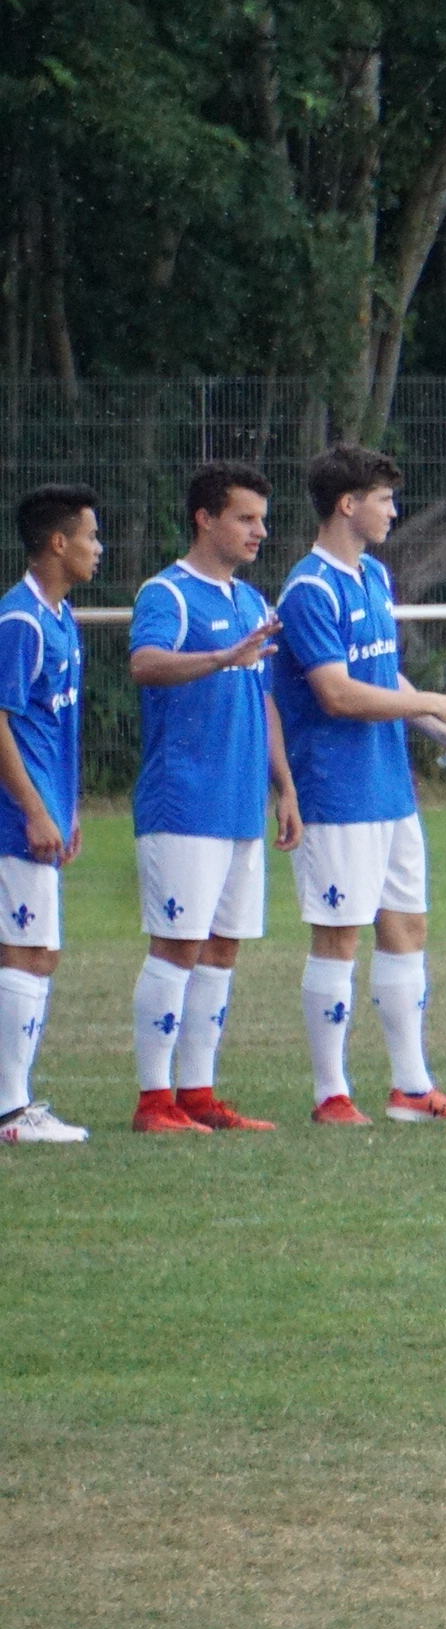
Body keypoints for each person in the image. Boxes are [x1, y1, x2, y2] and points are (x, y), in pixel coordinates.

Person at [274, 443, 446, 1123]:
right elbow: (338, 695)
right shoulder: (309, 590)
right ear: (348, 505)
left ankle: (410, 1088)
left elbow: (380, 677)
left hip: (389, 789)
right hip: (335, 794)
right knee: (339, 936)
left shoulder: (373, 576)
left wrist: (440, 728)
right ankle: (330, 1094)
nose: (394, 510)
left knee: (407, 926)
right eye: (384, 499)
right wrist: (430, 700)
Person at [125, 463, 300, 1133]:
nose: (261, 529)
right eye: (246, 517)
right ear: (206, 519)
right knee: (177, 945)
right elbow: (143, 664)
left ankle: (197, 1094)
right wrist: (220, 658)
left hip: (239, 805)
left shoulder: (253, 603)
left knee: (223, 949)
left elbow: (266, 700)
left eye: (261, 517)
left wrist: (283, 787)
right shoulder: (166, 594)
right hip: (184, 802)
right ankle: (153, 1100)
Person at [0, 486, 99, 1145]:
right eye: (91, 537)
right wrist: (35, 811)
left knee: (40, 953)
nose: (100, 549)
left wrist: (67, 808)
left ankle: (16, 1102)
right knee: (24, 951)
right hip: (13, 822)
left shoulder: (60, 619)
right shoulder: (21, 621)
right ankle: (10, 1112)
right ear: (58, 543)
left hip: (43, 817)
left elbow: (53, 729)